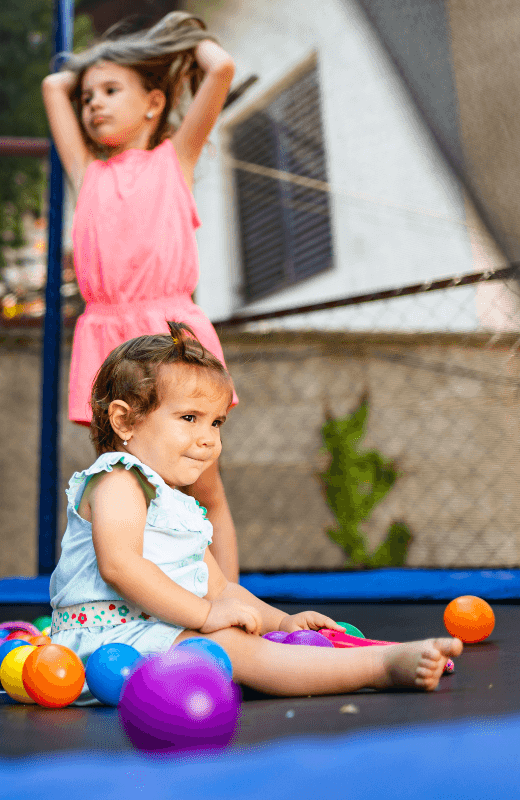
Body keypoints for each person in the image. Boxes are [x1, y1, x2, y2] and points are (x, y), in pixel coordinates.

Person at [49, 322, 462, 697]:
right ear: (125, 421)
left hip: (156, 632)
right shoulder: (118, 480)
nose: (209, 439)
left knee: (230, 639)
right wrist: (207, 614)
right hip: (106, 644)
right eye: (189, 417)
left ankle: (360, 660)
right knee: (228, 645)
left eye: (216, 423)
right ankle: (378, 667)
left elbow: (222, 588)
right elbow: (120, 566)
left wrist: (282, 623)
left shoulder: (178, 506)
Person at [42, 12, 241, 581]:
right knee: (122, 484)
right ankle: (138, 597)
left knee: (203, 487)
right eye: (89, 97)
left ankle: (225, 602)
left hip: (171, 337)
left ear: (154, 104)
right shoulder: (87, 172)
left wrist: (173, 36)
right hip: (108, 338)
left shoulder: (175, 160)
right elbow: (54, 84)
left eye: (110, 92)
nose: (93, 104)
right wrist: (107, 62)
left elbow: (220, 67)